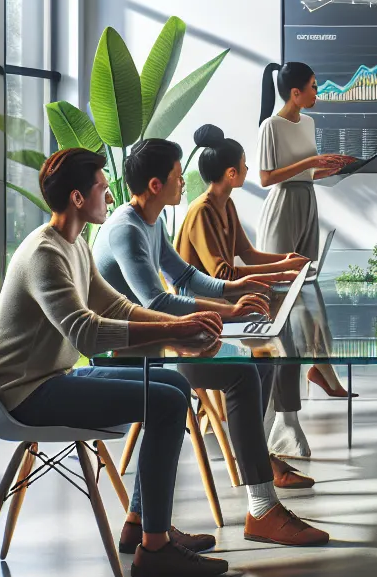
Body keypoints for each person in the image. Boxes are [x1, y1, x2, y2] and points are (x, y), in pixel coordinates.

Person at [0, 148, 226, 577]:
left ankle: (140, 525)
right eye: (101, 187)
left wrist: (177, 328)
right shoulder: (46, 253)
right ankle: (155, 549)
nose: (110, 194)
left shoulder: (73, 244)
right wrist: (176, 330)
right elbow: (88, 333)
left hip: (53, 378)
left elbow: (114, 305)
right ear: (79, 198)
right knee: (168, 404)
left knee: (172, 386)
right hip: (29, 395)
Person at [93, 138, 329, 547]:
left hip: (157, 343)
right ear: (155, 185)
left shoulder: (149, 221)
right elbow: (158, 300)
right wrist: (230, 310)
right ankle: (262, 508)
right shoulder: (127, 230)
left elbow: (184, 276)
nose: (183, 181)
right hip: (128, 355)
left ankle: (139, 521)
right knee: (242, 375)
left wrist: (231, 287)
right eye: (176, 175)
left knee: (260, 363)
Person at [176, 124, 318, 457]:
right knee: (276, 345)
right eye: (244, 163)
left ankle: (270, 435)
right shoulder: (201, 211)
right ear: (230, 172)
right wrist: (282, 271)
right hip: (205, 312)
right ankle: (263, 442)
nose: (248, 169)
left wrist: (286, 260)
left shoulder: (226, 204)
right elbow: (221, 273)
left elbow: (249, 254)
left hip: (226, 302)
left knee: (285, 337)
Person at [257, 61, 359, 402]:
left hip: (307, 201)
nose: (318, 92)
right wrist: (312, 163)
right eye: (314, 87)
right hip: (282, 207)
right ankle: (275, 381)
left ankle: (322, 368)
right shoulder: (271, 126)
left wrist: (330, 169)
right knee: (279, 295)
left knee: (308, 291)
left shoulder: (310, 122)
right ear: (295, 92)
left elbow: (304, 174)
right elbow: (268, 178)